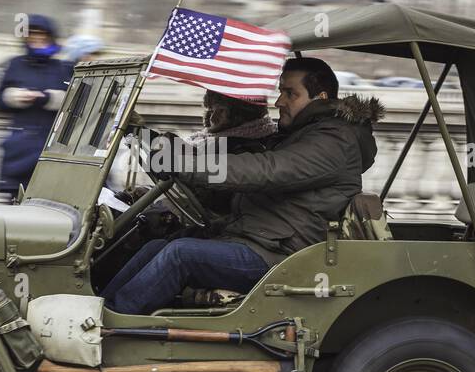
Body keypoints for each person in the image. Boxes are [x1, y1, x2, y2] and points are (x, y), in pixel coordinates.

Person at [100, 57, 382, 315]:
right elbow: (236, 161)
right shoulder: (300, 134)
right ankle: (99, 309)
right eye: (280, 91)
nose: (279, 102)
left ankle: (111, 325)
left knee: (180, 254)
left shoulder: (333, 142)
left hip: (282, 255)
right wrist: (159, 144)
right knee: (160, 245)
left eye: (290, 94)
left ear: (320, 97)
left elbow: (263, 170)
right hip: (255, 239)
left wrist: (183, 163)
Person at [0, 14, 74, 196]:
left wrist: (45, 98)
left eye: (42, 35)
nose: (37, 39)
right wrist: (14, 96)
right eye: (33, 35)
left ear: (50, 37)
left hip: (50, 146)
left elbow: (73, 102)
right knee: (15, 198)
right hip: (19, 147)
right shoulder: (15, 64)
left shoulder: (63, 68)